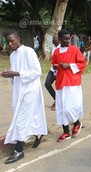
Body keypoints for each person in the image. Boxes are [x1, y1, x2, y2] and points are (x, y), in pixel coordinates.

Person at [1, 31, 47, 164]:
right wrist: (9, 75)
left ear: (18, 39)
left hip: (30, 89)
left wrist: (16, 73)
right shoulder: (12, 56)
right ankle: (38, 132)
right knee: (26, 115)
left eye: (12, 41)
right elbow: (16, 74)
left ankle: (19, 150)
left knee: (21, 118)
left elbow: (37, 71)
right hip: (18, 90)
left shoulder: (29, 51)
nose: (10, 44)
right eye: (8, 42)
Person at [52, 29, 86, 142]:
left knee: (68, 108)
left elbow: (82, 63)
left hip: (72, 82)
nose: (68, 41)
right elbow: (54, 66)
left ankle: (77, 122)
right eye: (66, 39)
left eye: (69, 38)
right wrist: (55, 68)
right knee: (61, 109)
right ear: (60, 39)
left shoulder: (75, 49)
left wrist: (70, 65)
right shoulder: (56, 52)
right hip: (61, 82)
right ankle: (66, 132)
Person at [45, 35, 60, 111]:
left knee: (59, 87)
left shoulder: (61, 48)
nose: (52, 40)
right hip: (52, 69)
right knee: (47, 84)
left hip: (59, 71)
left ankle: (58, 102)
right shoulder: (54, 47)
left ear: (59, 39)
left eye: (54, 38)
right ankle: (57, 99)